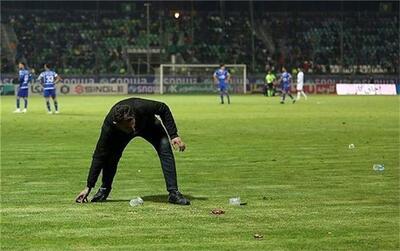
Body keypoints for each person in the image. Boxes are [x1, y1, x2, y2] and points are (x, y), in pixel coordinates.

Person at [75, 97, 190, 205]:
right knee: (111, 157)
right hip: (121, 135)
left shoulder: (141, 106)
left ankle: (173, 193)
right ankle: (104, 189)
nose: (132, 129)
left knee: (165, 150)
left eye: (132, 123)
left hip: (149, 126)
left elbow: (163, 108)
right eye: (127, 127)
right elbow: (99, 155)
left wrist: (174, 135)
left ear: (132, 117)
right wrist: (88, 187)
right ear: (117, 124)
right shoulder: (110, 127)